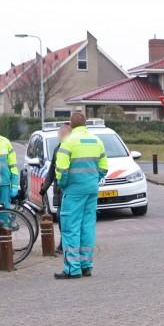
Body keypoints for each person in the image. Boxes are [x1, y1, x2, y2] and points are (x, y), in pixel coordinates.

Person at [53, 112, 106, 279]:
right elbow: (104, 167)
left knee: (70, 229)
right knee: (87, 227)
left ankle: (72, 269)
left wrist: (64, 185)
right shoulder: (97, 141)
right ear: (85, 124)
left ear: (71, 124)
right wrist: (93, 180)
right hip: (91, 190)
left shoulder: (68, 142)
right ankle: (86, 266)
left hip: (74, 191)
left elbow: (61, 171)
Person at [40, 123, 70, 254]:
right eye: (60, 134)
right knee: (61, 217)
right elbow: (52, 171)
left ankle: (66, 245)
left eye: (64, 134)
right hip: (60, 190)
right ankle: (64, 244)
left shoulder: (72, 149)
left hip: (68, 190)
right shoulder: (58, 149)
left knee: (66, 218)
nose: (61, 136)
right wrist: (44, 187)